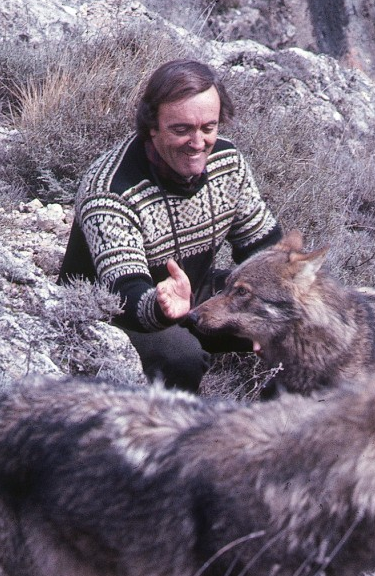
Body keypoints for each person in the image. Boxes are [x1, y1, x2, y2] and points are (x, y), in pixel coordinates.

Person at [58, 59, 282, 391]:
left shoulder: (228, 162)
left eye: (209, 127)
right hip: (109, 313)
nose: (198, 143)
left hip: (192, 292)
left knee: (297, 324)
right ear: (152, 126)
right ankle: (173, 435)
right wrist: (163, 310)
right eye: (181, 130)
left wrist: (284, 304)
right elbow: (124, 294)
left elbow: (263, 247)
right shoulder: (110, 192)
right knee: (180, 354)